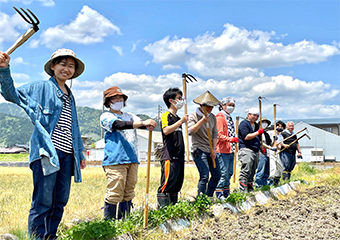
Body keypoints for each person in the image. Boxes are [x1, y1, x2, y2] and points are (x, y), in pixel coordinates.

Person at [0, 49, 86, 240]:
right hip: (47, 152)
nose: (66, 69)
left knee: (60, 201)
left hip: (67, 154)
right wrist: (5, 69)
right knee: (43, 201)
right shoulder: (40, 88)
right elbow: (11, 94)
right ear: (52, 66)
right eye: (62, 64)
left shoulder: (69, 96)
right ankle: (37, 238)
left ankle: (50, 236)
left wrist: (79, 152)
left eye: (71, 66)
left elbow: (75, 127)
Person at [100, 86, 156, 220]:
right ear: (108, 102)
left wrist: (149, 123)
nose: (118, 100)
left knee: (129, 191)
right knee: (115, 191)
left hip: (132, 158)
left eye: (120, 98)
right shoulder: (106, 116)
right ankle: (109, 223)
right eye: (115, 98)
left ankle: (124, 220)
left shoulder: (130, 115)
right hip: (115, 159)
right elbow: (119, 125)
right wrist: (142, 123)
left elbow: (140, 124)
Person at [157, 87, 188, 208]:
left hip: (179, 156)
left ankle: (173, 208)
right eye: (179, 98)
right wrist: (180, 122)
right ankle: (163, 209)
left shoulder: (178, 118)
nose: (181, 101)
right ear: (171, 100)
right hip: (170, 155)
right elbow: (166, 130)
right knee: (167, 183)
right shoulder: (166, 115)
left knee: (177, 183)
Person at [188, 91, 221, 198]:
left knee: (217, 174)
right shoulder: (193, 116)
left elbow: (215, 133)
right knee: (204, 176)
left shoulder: (212, 117)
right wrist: (202, 121)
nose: (210, 109)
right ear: (202, 106)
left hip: (210, 149)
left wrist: (214, 149)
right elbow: (190, 131)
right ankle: (201, 199)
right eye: (208, 107)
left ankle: (209, 196)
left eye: (212, 107)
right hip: (199, 149)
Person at [214, 97, 238, 200]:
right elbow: (219, 134)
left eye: (233, 105)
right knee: (223, 172)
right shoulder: (220, 117)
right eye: (229, 105)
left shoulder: (229, 118)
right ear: (223, 105)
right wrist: (230, 139)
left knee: (229, 172)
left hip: (230, 149)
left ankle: (226, 193)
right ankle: (219, 194)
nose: (231, 107)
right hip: (222, 149)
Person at [238, 108, 264, 192]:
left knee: (253, 170)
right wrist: (257, 133)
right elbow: (246, 137)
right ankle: (243, 190)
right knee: (246, 169)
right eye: (254, 115)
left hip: (255, 150)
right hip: (246, 148)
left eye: (257, 116)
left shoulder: (256, 126)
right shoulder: (244, 124)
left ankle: (249, 188)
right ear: (249, 114)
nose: (255, 117)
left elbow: (259, 139)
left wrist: (261, 147)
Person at [254, 117, 273, 188]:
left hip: (266, 154)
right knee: (260, 171)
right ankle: (258, 185)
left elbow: (270, 143)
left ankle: (264, 185)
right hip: (260, 154)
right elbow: (260, 143)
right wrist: (269, 147)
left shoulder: (266, 134)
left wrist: (274, 140)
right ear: (259, 123)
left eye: (266, 122)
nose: (265, 124)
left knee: (266, 171)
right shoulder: (257, 132)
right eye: (263, 122)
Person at [268, 120, 286, 185]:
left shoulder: (281, 136)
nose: (280, 127)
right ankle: (269, 183)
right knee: (273, 168)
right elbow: (270, 144)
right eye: (278, 126)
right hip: (270, 153)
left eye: (281, 127)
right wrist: (274, 140)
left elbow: (279, 148)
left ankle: (276, 182)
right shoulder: (270, 133)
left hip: (276, 154)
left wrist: (278, 144)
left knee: (280, 168)